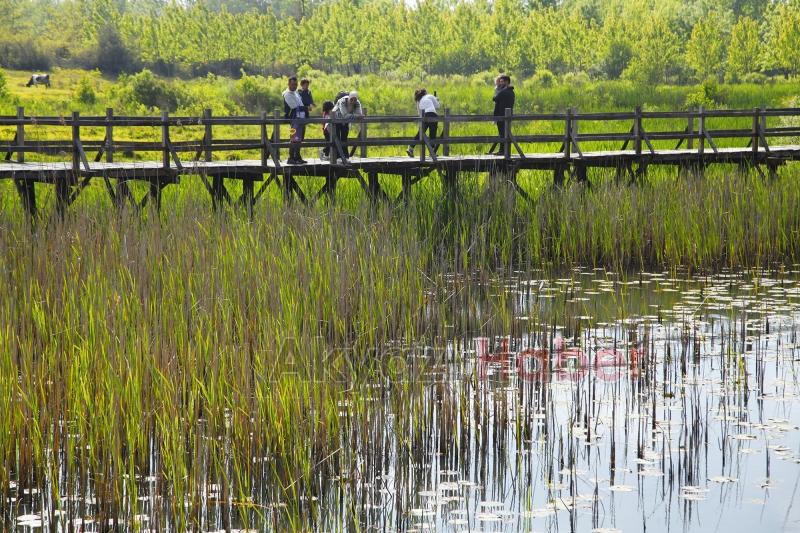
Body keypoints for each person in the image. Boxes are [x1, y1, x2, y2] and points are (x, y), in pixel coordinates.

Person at [331, 91, 363, 164]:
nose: (353, 101)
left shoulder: (357, 103)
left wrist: (356, 116)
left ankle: (345, 157)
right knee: (337, 138)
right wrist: (356, 116)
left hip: (346, 121)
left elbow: (359, 114)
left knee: (344, 138)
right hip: (336, 119)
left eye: (355, 99)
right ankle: (338, 157)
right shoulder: (342, 101)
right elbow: (345, 114)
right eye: (351, 99)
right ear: (349, 98)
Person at [407, 88, 441, 158]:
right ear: (425, 93)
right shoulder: (430, 96)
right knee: (432, 133)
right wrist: (436, 99)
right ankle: (432, 153)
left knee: (421, 132)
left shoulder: (419, 101)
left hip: (425, 116)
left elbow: (419, 113)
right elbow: (438, 106)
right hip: (433, 115)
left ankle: (410, 148)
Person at [486, 74, 515, 155]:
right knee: (504, 134)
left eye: (502, 82)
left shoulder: (504, 92)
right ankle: (503, 151)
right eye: (500, 82)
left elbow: (494, 98)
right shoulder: (511, 92)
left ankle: (502, 151)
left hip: (501, 116)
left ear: (507, 82)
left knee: (502, 134)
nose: (500, 83)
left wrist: (498, 89)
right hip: (507, 116)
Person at [282, 76, 308, 164]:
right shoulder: (287, 94)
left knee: (300, 139)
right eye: (293, 84)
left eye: (296, 84)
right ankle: (291, 158)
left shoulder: (295, 92)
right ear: (288, 84)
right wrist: (306, 108)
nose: (295, 86)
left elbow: (300, 104)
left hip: (301, 118)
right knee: (294, 138)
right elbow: (294, 107)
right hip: (294, 119)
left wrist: (304, 109)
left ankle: (297, 157)